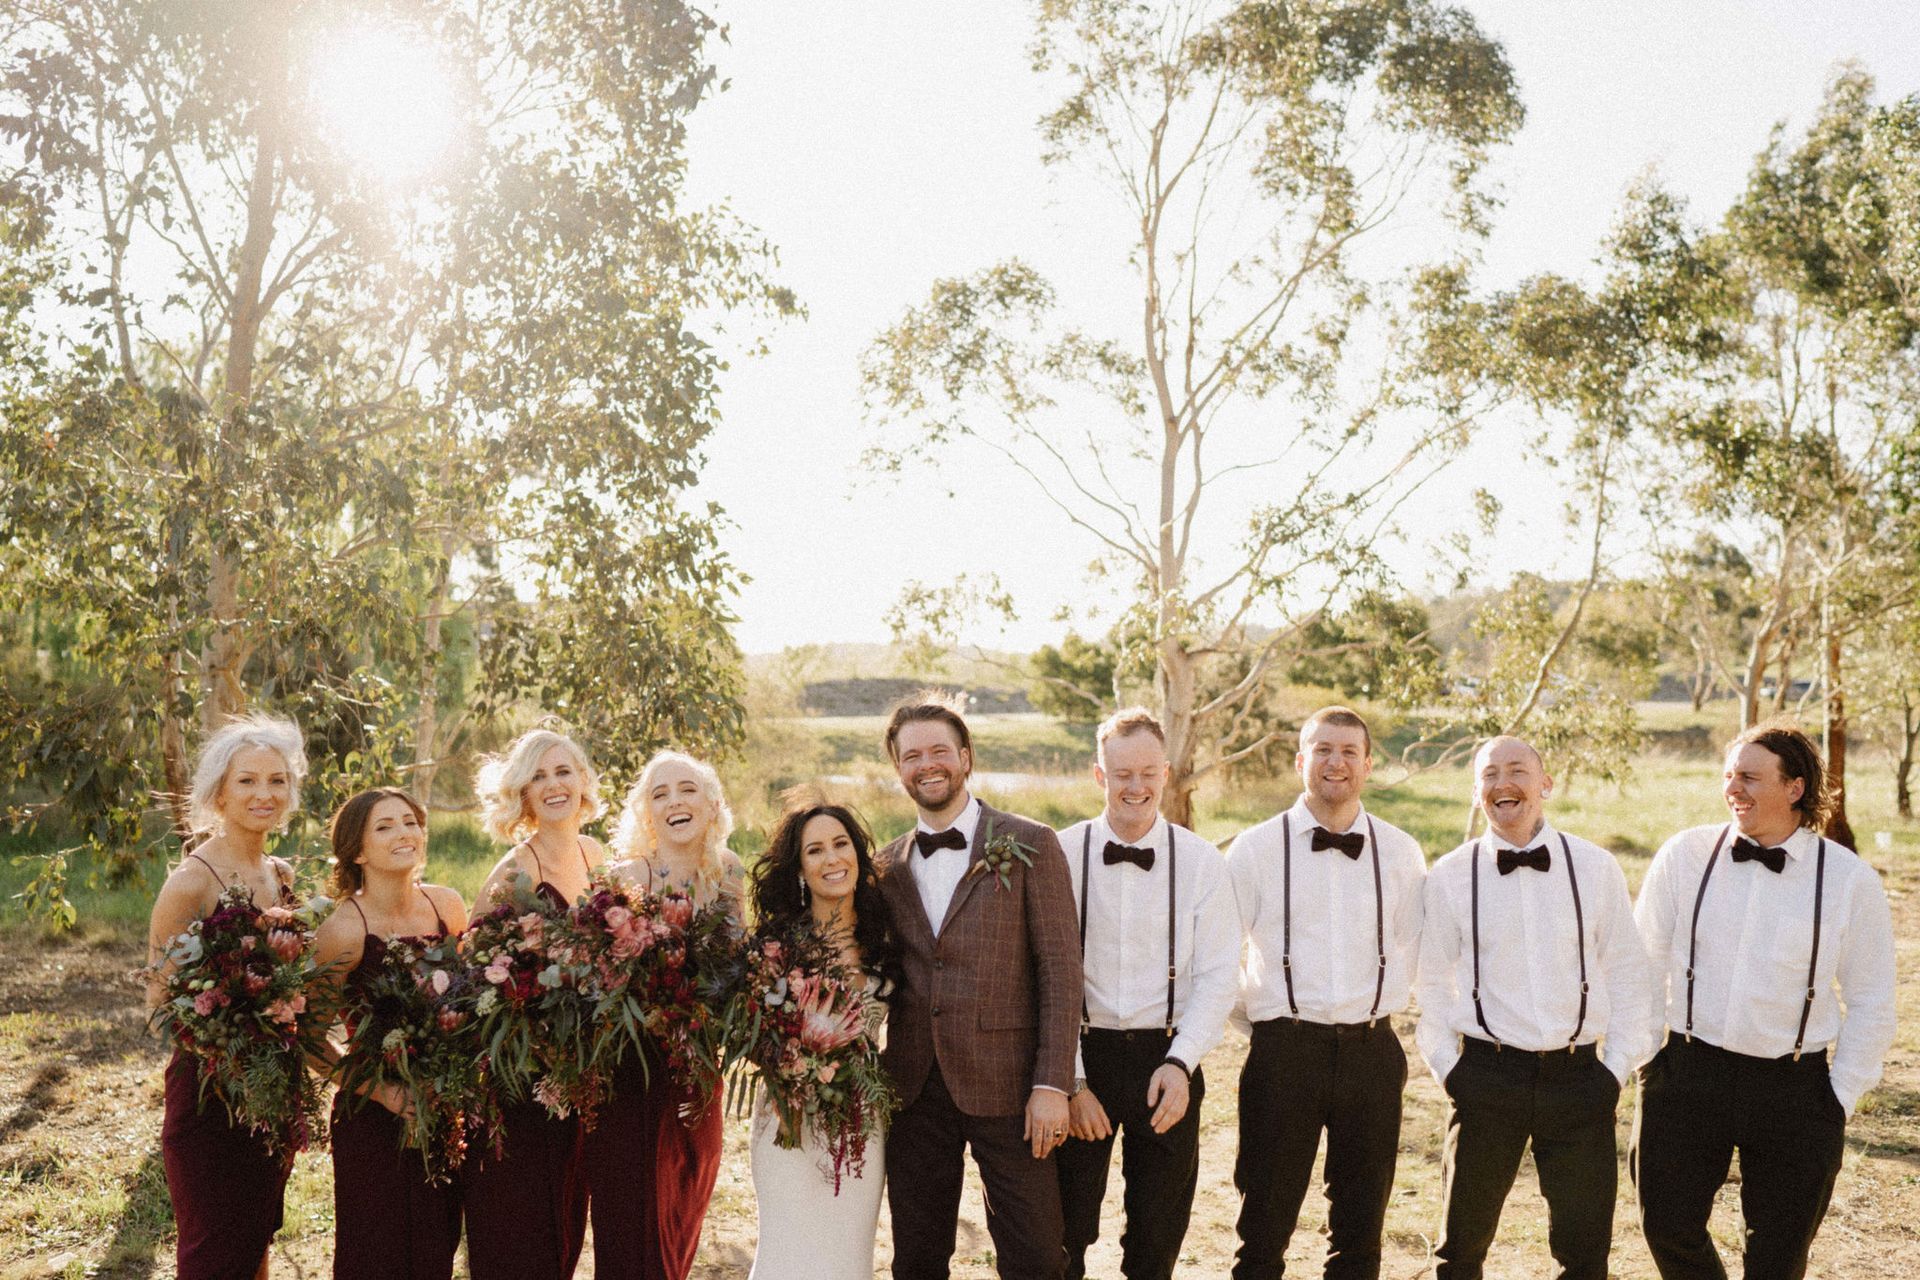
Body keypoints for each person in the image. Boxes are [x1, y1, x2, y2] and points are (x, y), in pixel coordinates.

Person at [1632, 723, 1896, 1280]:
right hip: (1687, 1071)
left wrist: (1838, 1096)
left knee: (1779, 1256)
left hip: (1794, 1089)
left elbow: (1872, 998)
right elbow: (1641, 964)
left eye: (1750, 777)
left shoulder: (1849, 880)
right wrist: (1647, 1062)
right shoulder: (1684, 855)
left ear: (1794, 788)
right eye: (1729, 775)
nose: (1733, 788)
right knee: (1666, 1226)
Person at [1416, 735, 1655, 1280]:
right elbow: (1429, 983)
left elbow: (1628, 974)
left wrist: (1614, 1071)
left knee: (1585, 1253)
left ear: (1544, 784)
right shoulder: (1450, 875)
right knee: (1459, 1250)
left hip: (1579, 1079)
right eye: (1490, 774)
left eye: (1518, 770)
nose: (1505, 783)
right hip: (1486, 1075)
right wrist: (1448, 1070)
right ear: (1477, 793)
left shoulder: (1596, 868)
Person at [875, 691, 1083, 1280]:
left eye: (940, 749)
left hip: (1012, 1086)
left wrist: (1052, 1083)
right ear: (899, 769)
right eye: (912, 755)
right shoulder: (886, 866)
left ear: (966, 757)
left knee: (1037, 1256)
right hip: (914, 1088)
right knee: (916, 1258)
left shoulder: (1032, 842)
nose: (927, 764)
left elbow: (1061, 973)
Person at [1224, 705, 1426, 1280]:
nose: (1335, 762)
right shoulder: (1255, 849)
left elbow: (1416, 949)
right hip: (1284, 1054)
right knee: (1262, 1225)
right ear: (1300, 761)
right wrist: (1267, 1021)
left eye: (1347, 752)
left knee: (1361, 1231)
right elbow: (1217, 958)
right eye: (1322, 750)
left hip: (1372, 1054)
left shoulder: (1402, 851)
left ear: (1367, 764)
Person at [1054, 708, 1240, 1280]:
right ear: (1098, 776)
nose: (1135, 787)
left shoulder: (1203, 862)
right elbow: (1043, 978)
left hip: (1169, 1060)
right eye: (1121, 773)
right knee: (1063, 1237)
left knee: (1157, 1239)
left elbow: (1218, 975)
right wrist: (1073, 1080)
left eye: (1147, 773)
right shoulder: (1059, 854)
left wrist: (1182, 1063)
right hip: (1080, 1060)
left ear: (1167, 772)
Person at [146, 712, 308, 1280]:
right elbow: (159, 1000)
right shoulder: (192, 880)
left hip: (274, 1088)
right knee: (214, 1249)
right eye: (247, 781)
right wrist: (232, 1036)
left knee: (257, 1234)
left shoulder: (281, 873)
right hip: (210, 1093)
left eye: (276, 781)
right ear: (219, 791)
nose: (264, 794)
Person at [581, 750, 747, 1280]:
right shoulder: (627, 875)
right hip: (630, 1076)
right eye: (659, 793)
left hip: (697, 1074)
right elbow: (589, 979)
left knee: (680, 1221)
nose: (674, 801)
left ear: (711, 801)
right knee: (632, 1232)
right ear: (645, 814)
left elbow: (735, 968)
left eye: (687, 789)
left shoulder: (729, 873)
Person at [462, 728, 608, 1280]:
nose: (553, 785)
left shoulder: (596, 855)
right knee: (519, 1239)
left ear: (583, 781)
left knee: (564, 1231)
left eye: (563, 771)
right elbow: (472, 978)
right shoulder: (513, 872)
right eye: (538, 776)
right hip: (519, 1085)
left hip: (578, 1079)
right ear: (522, 794)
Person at [744, 793, 903, 1279]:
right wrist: (792, 1063)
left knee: (848, 1255)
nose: (831, 858)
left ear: (857, 854)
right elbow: (751, 1035)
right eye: (815, 850)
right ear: (799, 867)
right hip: (785, 1120)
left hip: (861, 1120)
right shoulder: (777, 945)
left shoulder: (888, 934)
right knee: (786, 1251)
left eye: (841, 844)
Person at [313, 787, 469, 1280]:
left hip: (443, 1110)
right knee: (375, 1257)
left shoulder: (448, 907)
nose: (405, 833)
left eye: (410, 822)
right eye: (385, 826)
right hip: (374, 1118)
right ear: (357, 851)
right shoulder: (343, 928)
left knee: (434, 1251)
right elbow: (309, 1036)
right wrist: (384, 1093)